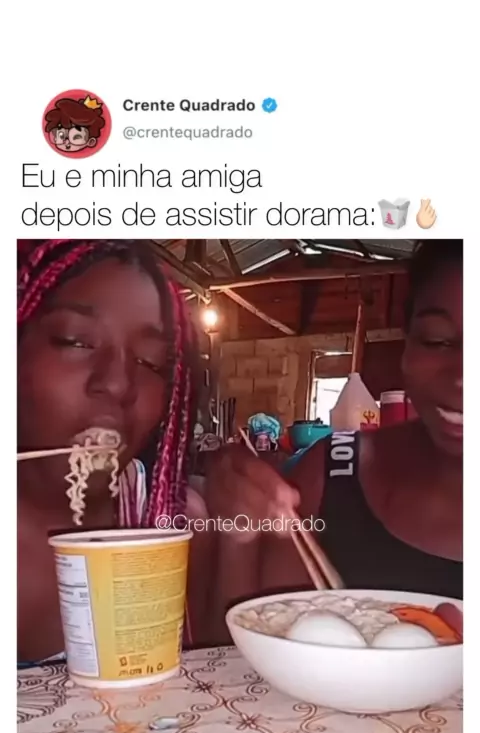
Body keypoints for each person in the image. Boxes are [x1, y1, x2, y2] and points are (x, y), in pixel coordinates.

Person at [207, 240, 463, 641]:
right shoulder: (332, 474)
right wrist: (238, 534)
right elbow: (242, 658)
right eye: (438, 340)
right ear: (408, 338)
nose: (463, 376)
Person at [17, 239, 212, 662]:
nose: (119, 383)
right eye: (76, 341)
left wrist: (244, 543)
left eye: (150, 362)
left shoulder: (170, 527)